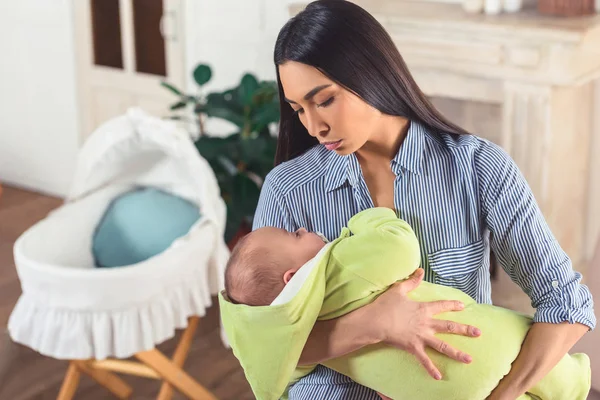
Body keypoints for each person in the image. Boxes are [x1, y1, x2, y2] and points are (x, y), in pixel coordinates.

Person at [253, 0, 596, 399]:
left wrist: (500, 396)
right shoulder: (288, 189)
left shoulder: (477, 167)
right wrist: (372, 327)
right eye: (299, 110)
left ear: (368, 73)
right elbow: (262, 345)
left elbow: (566, 304)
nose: (315, 127)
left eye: (324, 100)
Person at [220, 208, 591, 400]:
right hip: (486, 346)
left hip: (436, 390)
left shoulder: (285, 332)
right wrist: (367, 221)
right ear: (292, 276)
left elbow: (280, 366)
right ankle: (571, 379)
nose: (302, 230)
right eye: (293, 235)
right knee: (558, 374)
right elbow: (400, 247)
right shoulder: (340, 263)